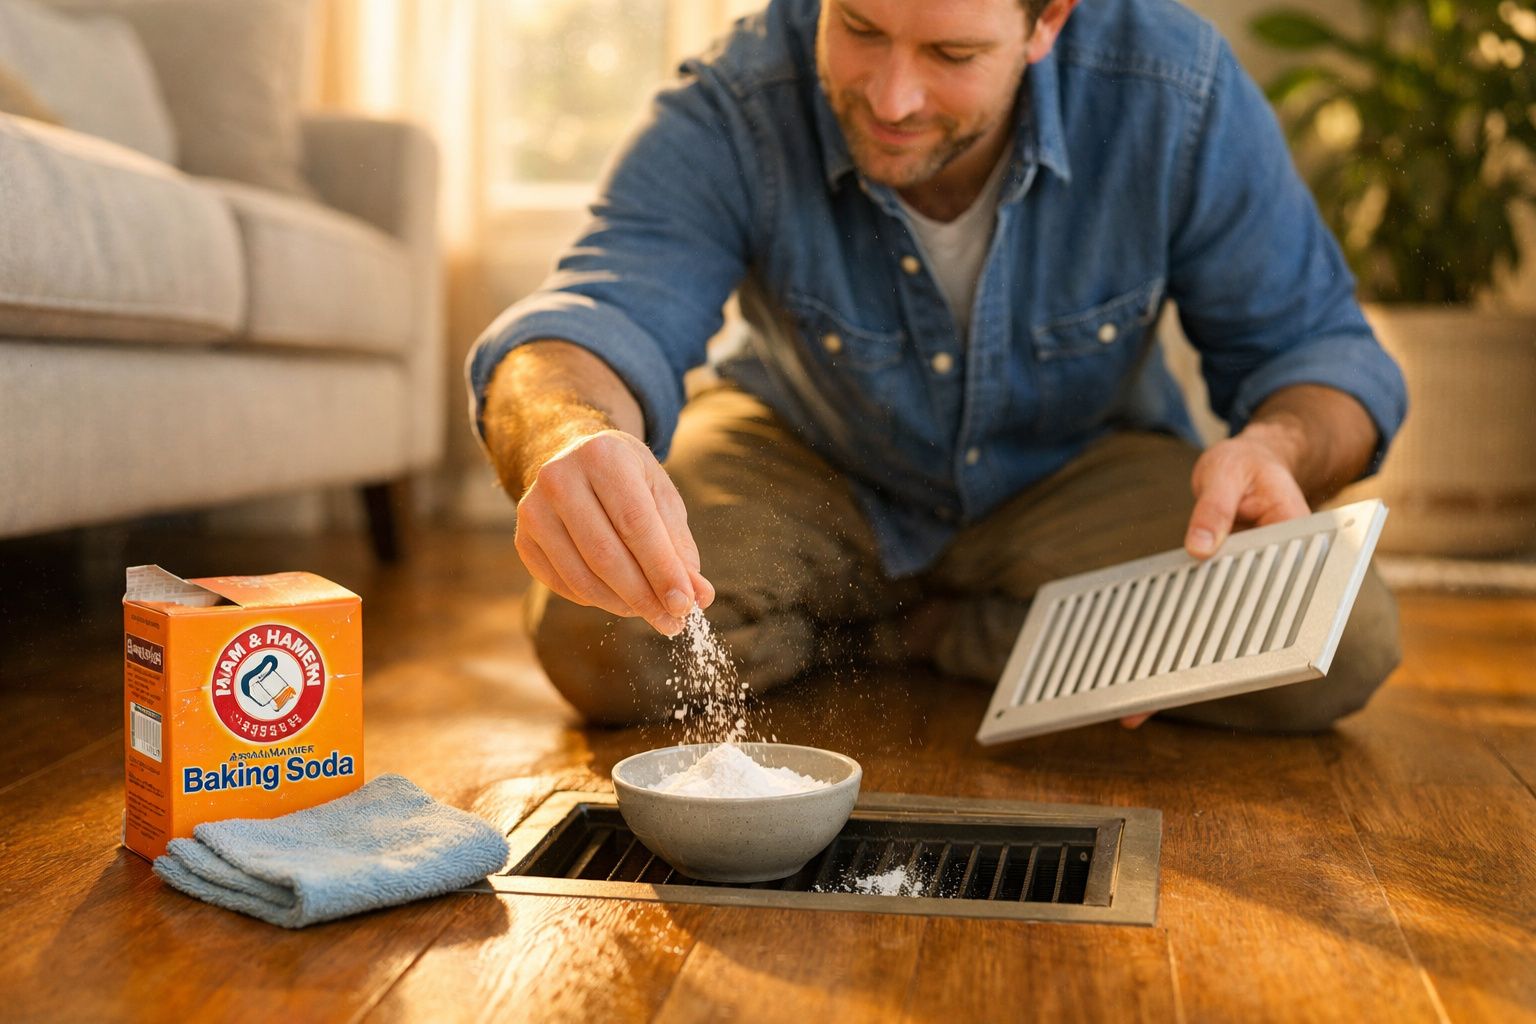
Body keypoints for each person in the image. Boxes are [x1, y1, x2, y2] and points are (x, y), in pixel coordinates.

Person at [468, 0, 1407, 732]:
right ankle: (1024, 638)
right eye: (860, 28)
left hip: (1079, 469)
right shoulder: (741, 97)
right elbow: (595, 315)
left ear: (1048, 20)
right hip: (810, 451)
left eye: (952, 55)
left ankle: (904, 632)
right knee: (592, 633)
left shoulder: (1174, 86)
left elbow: (1318, 350)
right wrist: (568, 437)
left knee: (1336, 637)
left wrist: (1279, 447)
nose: (892, 99)